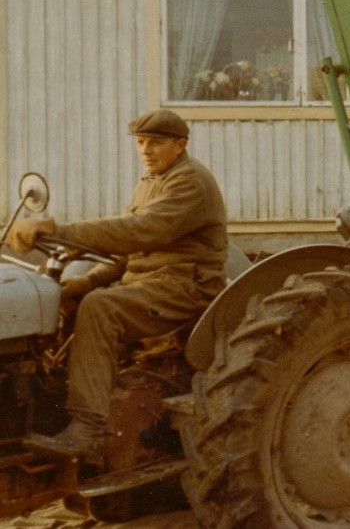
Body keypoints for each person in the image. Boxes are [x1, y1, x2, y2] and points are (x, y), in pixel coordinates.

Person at [5, 108, 227, 463]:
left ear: (180, 145)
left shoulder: (190, 181)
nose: (145, 150)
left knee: (100, 308)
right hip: (152, 283)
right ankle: (48, 408)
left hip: (185, 288)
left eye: (155, 143)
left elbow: (139, 231)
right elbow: (132, 251)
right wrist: (88, 281)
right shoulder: (151, 182)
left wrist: (58, 231)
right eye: (140, 143)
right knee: (71, 300)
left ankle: (88, 430)